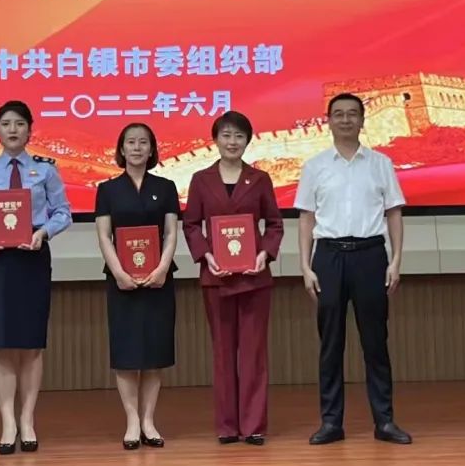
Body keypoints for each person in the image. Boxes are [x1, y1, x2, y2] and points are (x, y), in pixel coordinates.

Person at [294, 93, 412, 446]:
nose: (345, 120)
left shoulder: (381, 164)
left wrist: (396, 261)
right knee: (331, 344)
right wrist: (305, 266)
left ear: (362, 120)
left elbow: (394, 213)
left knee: (375, 342)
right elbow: (306, 218)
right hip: (328, 257)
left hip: (370, 256)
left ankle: (385, 421)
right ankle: (331, 422)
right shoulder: (315, 166)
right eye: (338, 114)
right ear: (328, 121)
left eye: (352, 114)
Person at [0, 100, 72, 455]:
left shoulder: (45, 170)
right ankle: (7, 422)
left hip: (32, 259)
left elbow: (63, 212)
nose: (13, 130)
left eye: (20, 124)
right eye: (6, 124)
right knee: (1, 344)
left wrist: (43, 233)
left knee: (31, 343)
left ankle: (27, 419)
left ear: (30, 130)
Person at [182, 111, 284, 445]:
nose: (232, 142)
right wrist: (207, 256)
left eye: (239, 136)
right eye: (226, 135)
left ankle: (253, 425)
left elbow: (274, 223)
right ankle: (227, 426)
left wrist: (264, 253)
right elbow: (191, 224)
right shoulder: (201, 180)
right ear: (215, 140)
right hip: (217, 277)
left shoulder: (260, 179)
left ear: (247, 141)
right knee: (223, 354)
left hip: (254, 277)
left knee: (253, 354)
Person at [94, 122, 179, 450]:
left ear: (152, 149)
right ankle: (131, 421)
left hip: (159, 280)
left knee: (155, 352)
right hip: (122, 282)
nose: (137, 148)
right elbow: (104, 235)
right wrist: (118, 273)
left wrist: (161, 269)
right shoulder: (108, 189)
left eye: (143, 142)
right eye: (131, 142)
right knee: (127, 353)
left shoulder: (166, 187)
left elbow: (170, 233)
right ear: (121, 149)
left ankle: (149, 420)